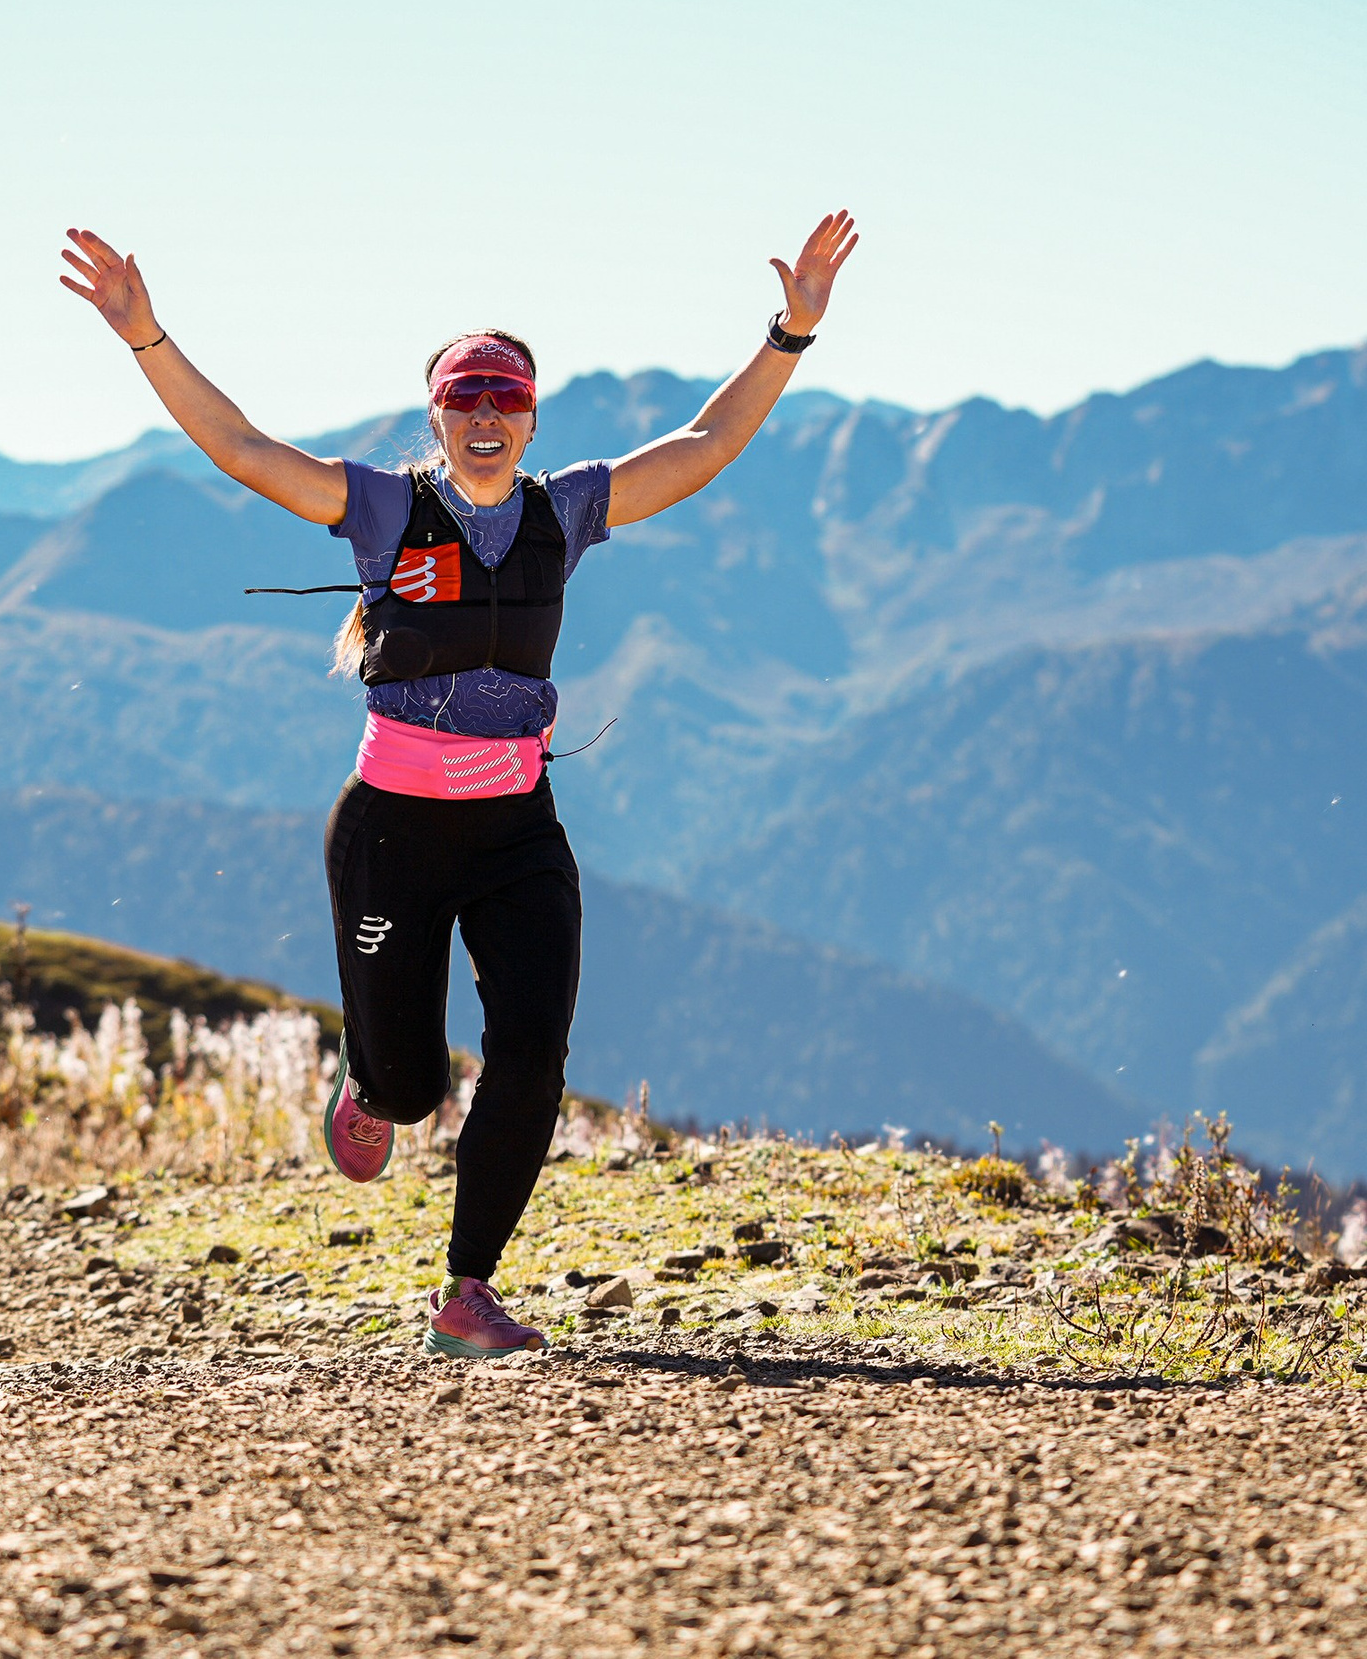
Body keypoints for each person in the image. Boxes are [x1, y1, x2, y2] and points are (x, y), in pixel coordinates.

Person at [60, 213, 858, 1357]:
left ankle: (466, 1290)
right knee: (410, 1087)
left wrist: (789, 333)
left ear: (531, 419)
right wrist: (146, 336)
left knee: (532, 1054)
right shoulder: (384, 508)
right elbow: (240, 447)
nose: (487, 414)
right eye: (465, 397)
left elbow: (704, 443)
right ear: (434, 416)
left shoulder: (563, 511)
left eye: (507, 398)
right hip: (390, 833)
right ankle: (372, 1089)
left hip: (516, 831)